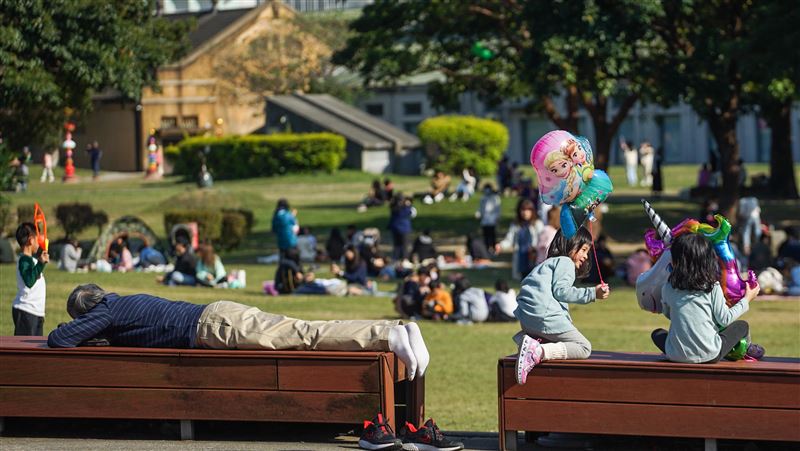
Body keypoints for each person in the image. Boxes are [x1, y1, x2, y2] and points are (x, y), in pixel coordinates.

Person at [47, 284, 430, 381]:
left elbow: (61, 340)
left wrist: (75, 328)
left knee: (304, 335)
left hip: (215, 327)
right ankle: (399, 330)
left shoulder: (107, 310)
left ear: (87, 309)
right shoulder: (122, 303)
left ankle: (390, 335)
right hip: (218, 316)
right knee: (300, 331)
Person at [514, 227, 610, 385]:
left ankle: (531, 342)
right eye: (584, 250)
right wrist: (593, 293)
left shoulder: (548, 264)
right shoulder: (565, 262)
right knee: (583, 347)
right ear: (572, 245)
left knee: (560, 340)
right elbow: (562, 292)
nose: (586, 256)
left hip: (527, 319)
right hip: (543, 316)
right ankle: (537, 351)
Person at [650, 233, 763, 363]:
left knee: (657, 333)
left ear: (675, 261)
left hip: (676, 355)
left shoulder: (668, 288)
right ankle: (746, 350)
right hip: (710, 355)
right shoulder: (712, 287)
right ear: (708, 261)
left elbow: (669, 315)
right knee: (742, 325)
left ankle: (680, 351)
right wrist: (747, 299)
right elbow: (724, 319)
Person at [12, 222, 50, 335]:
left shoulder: (31, 260)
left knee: (35, 349)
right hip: (26, 311)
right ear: (31, 240)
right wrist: (40, 264)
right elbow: (29, 281)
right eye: (38, 238)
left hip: (36, 312)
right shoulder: (24, 260)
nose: (40, 242)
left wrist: (40, 263)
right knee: (24, 349)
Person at [497, 199, 544, 280]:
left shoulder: (538, 224)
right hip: (521, 258)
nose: (525, 212)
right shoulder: (515, 225)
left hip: (534, 258)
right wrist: (500, 245)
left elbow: (542, 241)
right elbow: (509, 240)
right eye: (523, 210)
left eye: (528, 210)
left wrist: (535, 249)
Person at [388, 194, 416, 262]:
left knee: (397, 245)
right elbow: (409, 213)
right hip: (404, 229)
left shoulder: (393, 206)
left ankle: (396, 258)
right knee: (404, 246)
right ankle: (404, 259)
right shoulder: (404, 208)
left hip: (395, 228)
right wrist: (408, 205)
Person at [476, 183, 501, 251]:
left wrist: (497, 217)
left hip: (492, 219)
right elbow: (480, 208)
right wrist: (478, 214)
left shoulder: (495, 198)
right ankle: (486, 248)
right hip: (485, 220)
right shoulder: (483, 198)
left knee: (492, 235)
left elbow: (498, 209)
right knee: (486, 235)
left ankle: (493, 247)